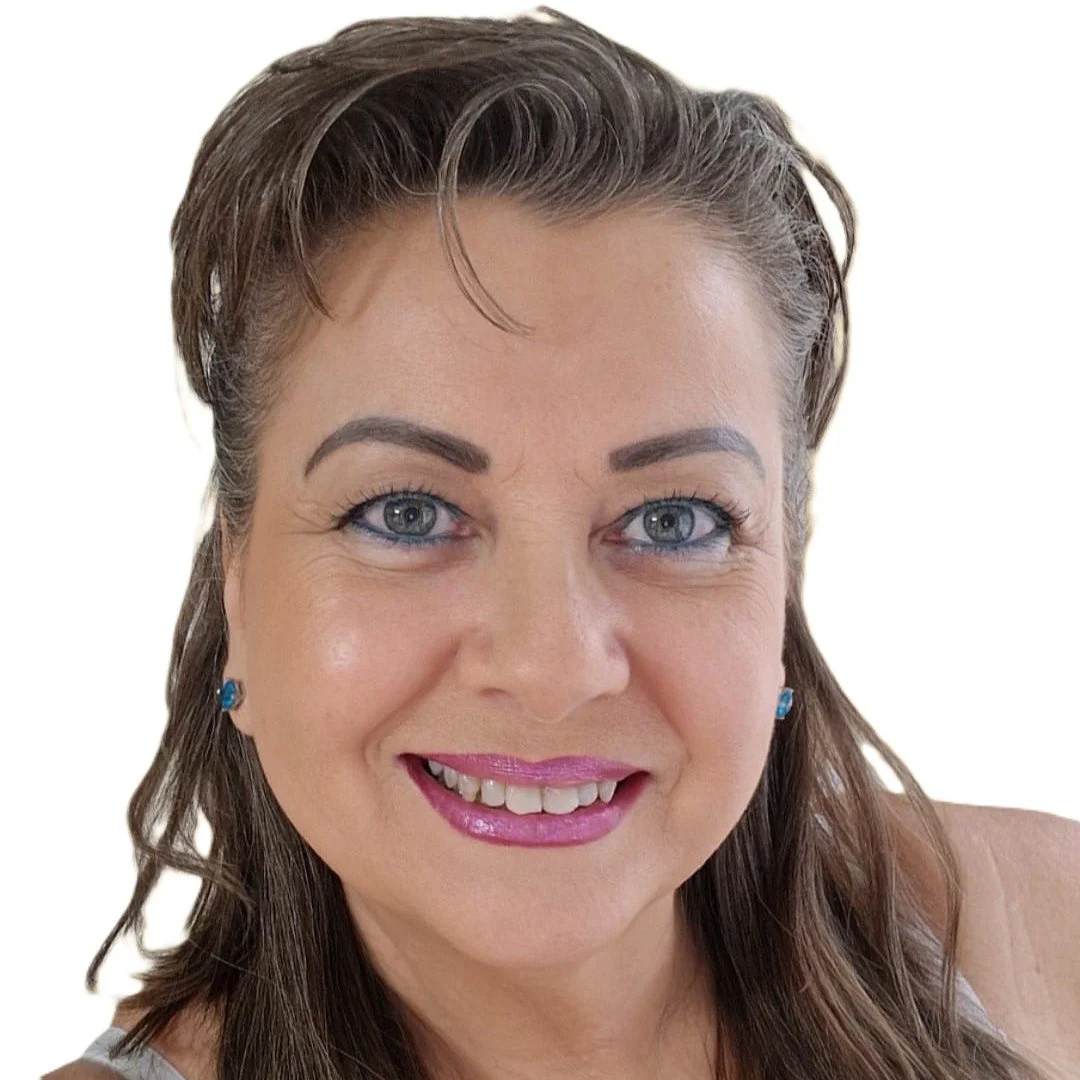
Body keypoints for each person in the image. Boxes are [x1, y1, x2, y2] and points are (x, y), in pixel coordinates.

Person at [45, 8, 1078, 1080]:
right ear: (238, 584)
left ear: (785, 579)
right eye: (406, 514)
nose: (550, 669)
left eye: (674, 520)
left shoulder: (1043, 939)